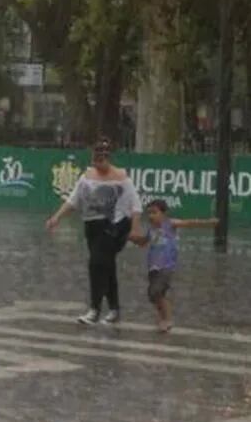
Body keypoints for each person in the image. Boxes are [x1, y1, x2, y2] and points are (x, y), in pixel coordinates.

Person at [46, 138, 143, 325]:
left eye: (102, 161)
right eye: (96, 161)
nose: (99, 166)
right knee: (106, 267)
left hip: (114, 225)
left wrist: (135, 228)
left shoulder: (122, 178)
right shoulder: (87, 177)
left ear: (108, 159)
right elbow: (73, 201)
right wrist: (56, 217)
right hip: (92, 227)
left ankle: (94, 309)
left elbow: (136, 206)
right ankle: (114, 309)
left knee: (96, 264)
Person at [131, 199, 218, 333]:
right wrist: (132, 238)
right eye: (149, 213)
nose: (151, 216)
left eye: (154, 212)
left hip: (166, 266)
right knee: (154, 295)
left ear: (163, 214)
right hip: (153, 267)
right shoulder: (151, 229)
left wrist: (208, 223)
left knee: (156, 292)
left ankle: (168, 319)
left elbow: (190, 223)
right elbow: (143, 243)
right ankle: (162, 319)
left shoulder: (170, 224)